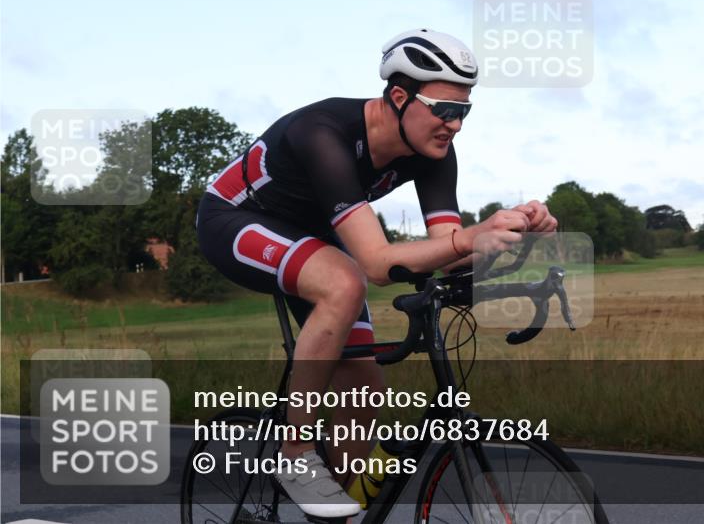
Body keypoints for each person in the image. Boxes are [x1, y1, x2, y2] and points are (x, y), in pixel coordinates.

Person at [196, 28, 558, 518]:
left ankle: (336, 510)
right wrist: (471, 236)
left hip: (312, 236)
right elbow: (377, 263)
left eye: (464, 111)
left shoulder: (433, 151)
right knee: (346, 281)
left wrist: (516, 235)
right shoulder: (324, 133)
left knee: (364, 383)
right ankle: (295, 454)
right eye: (444, 109)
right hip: (235, 219)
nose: (454, 125)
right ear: (399, 97)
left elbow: (449, 252)